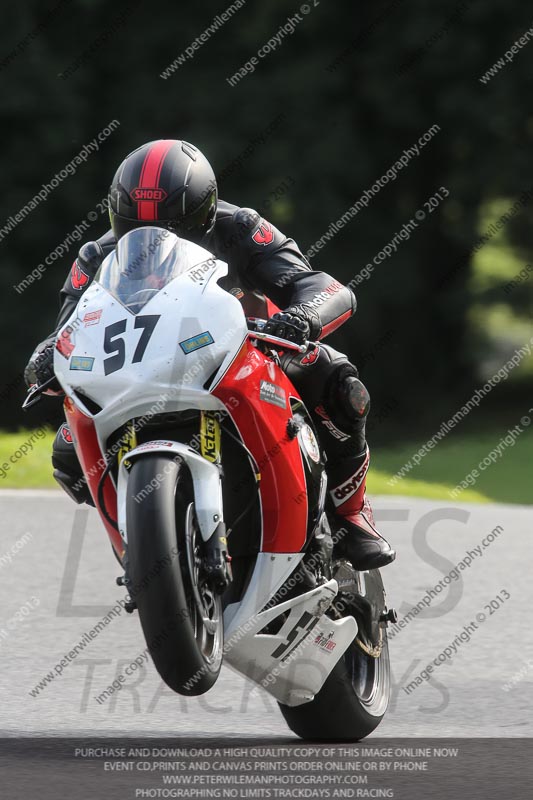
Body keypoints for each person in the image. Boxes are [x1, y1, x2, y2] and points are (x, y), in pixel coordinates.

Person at [25, 139, 395, 570]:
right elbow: (67, 329)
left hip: (249, 353)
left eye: (173, 227)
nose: (156, 240)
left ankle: (351, 514)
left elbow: (320, 286)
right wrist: (45, 357)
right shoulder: (96, 256)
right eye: (136, 227)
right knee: (69, 450)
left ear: (204, 211)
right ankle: (146, 543)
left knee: (336, 379)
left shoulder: (239, 227)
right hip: (140, 372)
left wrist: (301, 316)